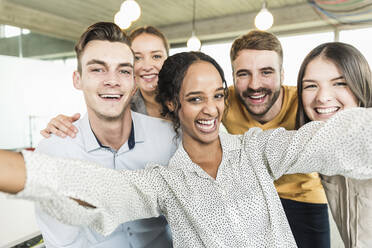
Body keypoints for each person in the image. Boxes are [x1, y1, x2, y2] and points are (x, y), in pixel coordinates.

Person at [1, 51, 372, 248]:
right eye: (195, 98)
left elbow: (333, 138)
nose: (211, 109)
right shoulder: (164, 183)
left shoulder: (257, 150)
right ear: (173, 105)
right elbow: (96, 190)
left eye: (218, 96)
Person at [33, 22, 176, 248]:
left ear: (133, 83)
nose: (112, 80)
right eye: (97, 69)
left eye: (123, 70)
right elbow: (63, 243)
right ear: (77, 80)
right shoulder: (53, 152)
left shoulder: (170, 140)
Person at [222, 30, 329, 247]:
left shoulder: (305, 102)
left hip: (304, 197)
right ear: (233, 77)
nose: (254, 85)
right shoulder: (224, 102)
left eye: (266, 72)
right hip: (252, 199)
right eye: (243, 74)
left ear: (282, 74)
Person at [296, 42, 372, 248]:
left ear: (361, 84)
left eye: (339, 83)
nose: (322, 97)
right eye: (311, 85)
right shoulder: (324, 148)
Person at [41, 26, 170, 139]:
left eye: (156, 56)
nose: (147, 66)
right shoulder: (121, 104)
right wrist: (64, 125)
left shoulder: (184, 97)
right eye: (137, 58)